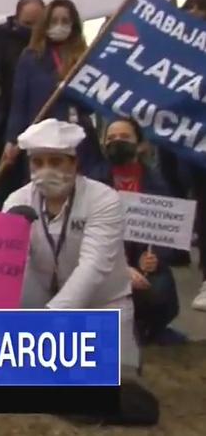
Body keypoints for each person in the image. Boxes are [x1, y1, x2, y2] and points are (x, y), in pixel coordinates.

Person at [2, 118, 138, 375]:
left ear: (74, 163)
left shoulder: (103, 199)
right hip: (42, 305)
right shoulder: (16, 201)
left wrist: (52, 318)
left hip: (102, 307)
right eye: (38, 162)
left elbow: (94, 267)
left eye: (56, 162)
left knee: (114, 389)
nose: (45, 170)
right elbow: (11, 270)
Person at [93, 119, 183, 345]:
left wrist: (156, 257)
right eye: (111, 138)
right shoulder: (94, 180)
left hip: (143, 262)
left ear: (140, 145)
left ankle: (150, 327)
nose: (116, 143)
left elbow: (169, 229)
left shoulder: (156, 182)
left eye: (124, 138)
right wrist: (121, 268)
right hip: (105, 262)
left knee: (159, 288)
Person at [3, 0, 101, 177]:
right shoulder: (30, 57)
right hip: (41, 138)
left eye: (65, 21)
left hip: (78, 140)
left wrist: (71, 90)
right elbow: (19, 104)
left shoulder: (83, 57)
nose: (59, 25)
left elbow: (92, 104)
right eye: (54, 21)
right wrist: (11, 140)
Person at [159, 0, 206, 310]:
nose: (191, 13)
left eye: (197, 9)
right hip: (187, 142)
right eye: (187, 8)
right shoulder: (175, 50)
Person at [0, 0, 47, 206]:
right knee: (5, 190)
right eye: (28, 23)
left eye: (39, 23)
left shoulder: (51, 45)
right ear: (17, 19)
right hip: (3, 129)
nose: (33, 29)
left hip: (41, 125)